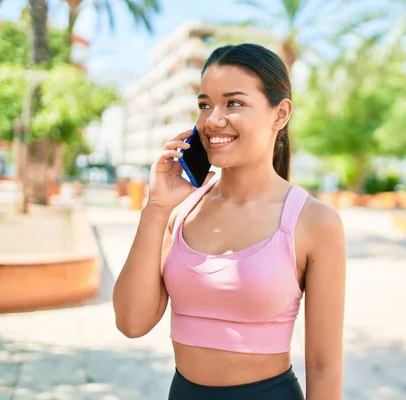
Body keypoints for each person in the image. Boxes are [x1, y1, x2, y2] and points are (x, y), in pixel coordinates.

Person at [112, 43, 346, 399]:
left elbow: (324, 364)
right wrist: (156, 209)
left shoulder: (314, 222)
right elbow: (131, 323)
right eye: (205, 104)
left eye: (233, 103)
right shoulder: (183, 211)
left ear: (280, 114)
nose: (212, 120)